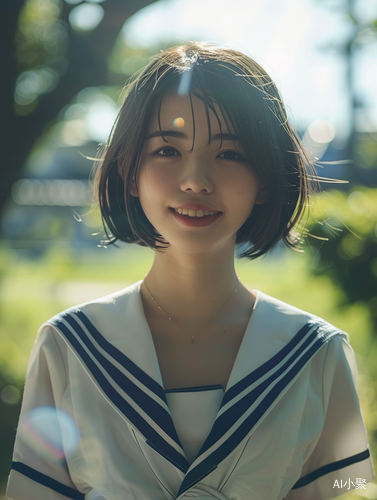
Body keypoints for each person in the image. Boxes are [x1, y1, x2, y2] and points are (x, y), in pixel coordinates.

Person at [6, 42, 375, 500]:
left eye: (229, 154)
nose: (196, 180)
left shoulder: (316, 354)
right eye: (167, 150)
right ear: (129, 169)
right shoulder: (70, 346)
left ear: (265, 178)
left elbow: (345, 489)